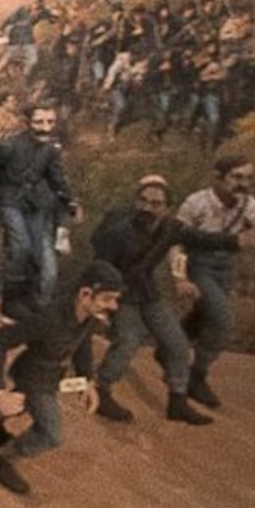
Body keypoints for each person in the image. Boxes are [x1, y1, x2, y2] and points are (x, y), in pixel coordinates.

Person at [0, 264, 121, 501]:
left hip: (49, 375)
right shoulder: (48, 318)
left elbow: (82, 344)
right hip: (35, 379)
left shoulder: (86, 316)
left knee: (22, 401)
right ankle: (2, 459)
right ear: (85, 294)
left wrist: (87, 381)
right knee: (51, 433)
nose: (113, 306)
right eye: (107, 299)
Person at [87, 174, 202, 424]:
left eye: (156, 203)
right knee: (129, 339)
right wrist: (101, 301)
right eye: (143, 200)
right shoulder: (119, 227)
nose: (148, 207)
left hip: (147, 292)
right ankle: (101, 389)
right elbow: (100, 260)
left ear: (166, 207)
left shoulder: (168, 228)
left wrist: (240, 240)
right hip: (121, 292)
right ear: (135, 200)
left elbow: (199, 240)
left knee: (177, 343)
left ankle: (178, 399)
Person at [172, 152, 255, 404]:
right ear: (218, 178)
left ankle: (170, 348)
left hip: (226, 268)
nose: (242, 183)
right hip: (200, 265)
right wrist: (179, 277)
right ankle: (196, 376)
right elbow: (174, 241)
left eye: (248, 178)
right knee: (222, 318)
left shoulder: (250, 206)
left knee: (204, 316)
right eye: (236, 177)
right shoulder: (196, 203)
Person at [0, 103, 75, 307]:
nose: (45, 128)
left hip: (36, 206)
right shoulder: (8, 146)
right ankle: (0, 287)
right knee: (20, 247)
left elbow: (57, 180)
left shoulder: (51, 150)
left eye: (50, 122)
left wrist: (71, 201)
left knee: (46, 265)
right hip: (9, 201)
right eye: (39, 122)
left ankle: (34, 310)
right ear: (26, 124)